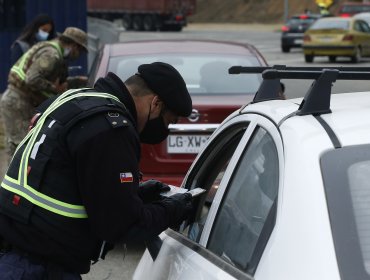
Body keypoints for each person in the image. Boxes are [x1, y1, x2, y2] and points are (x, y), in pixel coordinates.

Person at [0, 62, 194, 279]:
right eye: (169, 121)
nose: (165, 130)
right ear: (156, 103)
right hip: (42, 269)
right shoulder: (111, 129)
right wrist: (173, 208)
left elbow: (69, 183)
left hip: (14, 254)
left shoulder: (72, 101)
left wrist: (137, 195)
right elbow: (123, 225)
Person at [0, 27, 88, 165]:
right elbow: (32, 79)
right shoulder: (51, 55)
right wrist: (54, 89)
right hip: (18, 102)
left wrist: (77, 81)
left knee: (21, 148)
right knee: (20, 150)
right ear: (74, 45)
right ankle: (11, 184)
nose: (79, 54)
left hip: (20, 101)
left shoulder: (51, 50)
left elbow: (45, 79)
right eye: (80, 50)